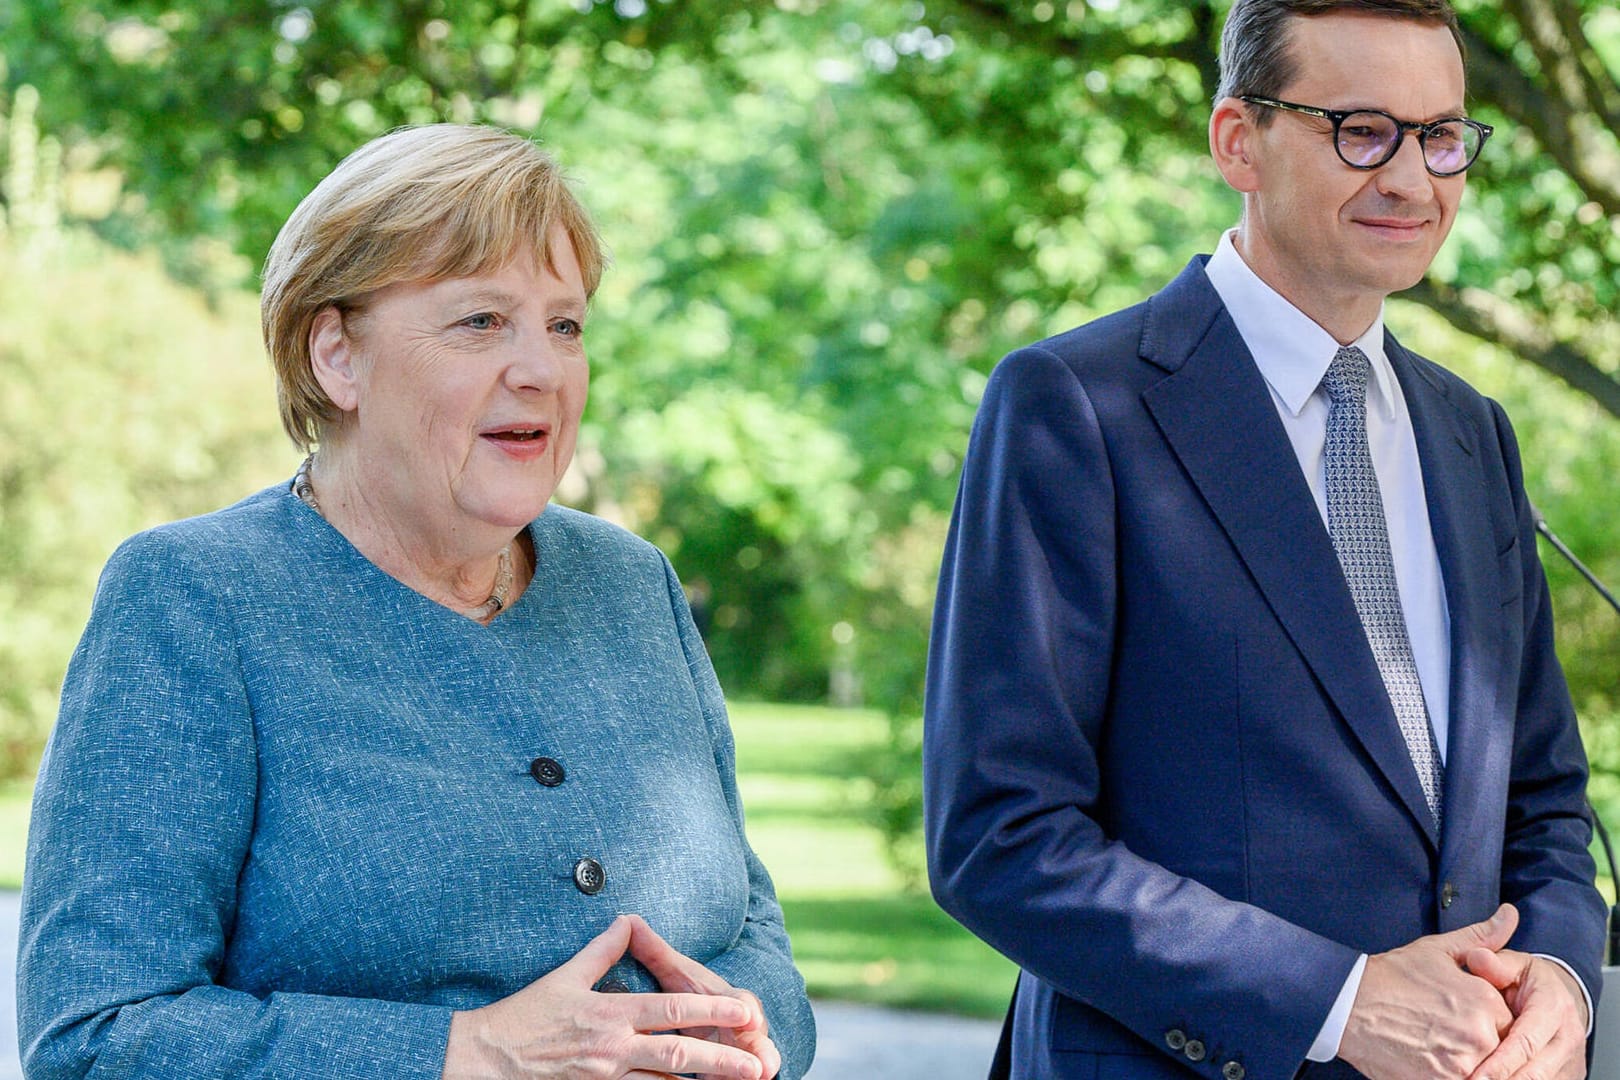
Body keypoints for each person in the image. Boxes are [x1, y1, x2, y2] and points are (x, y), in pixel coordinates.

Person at [17, 123, 814, 1080]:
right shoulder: (194, 599)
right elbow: (96, 1035)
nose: (541, 369)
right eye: (480, 322)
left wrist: (748, 1039)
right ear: (336, 358)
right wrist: (463, 1054)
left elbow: (750, 925)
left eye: (564, 325)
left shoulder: (631, 582)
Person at [923, 2, 1605, 1079]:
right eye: (1361, 130)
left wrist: (1563, 984)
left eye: (1440, 137)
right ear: (1237, 139)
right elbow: (1000, 839)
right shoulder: (1075, 408)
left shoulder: (1473, 434)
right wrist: (1338, 1005)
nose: (1414, 180)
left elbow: (1544, 804)